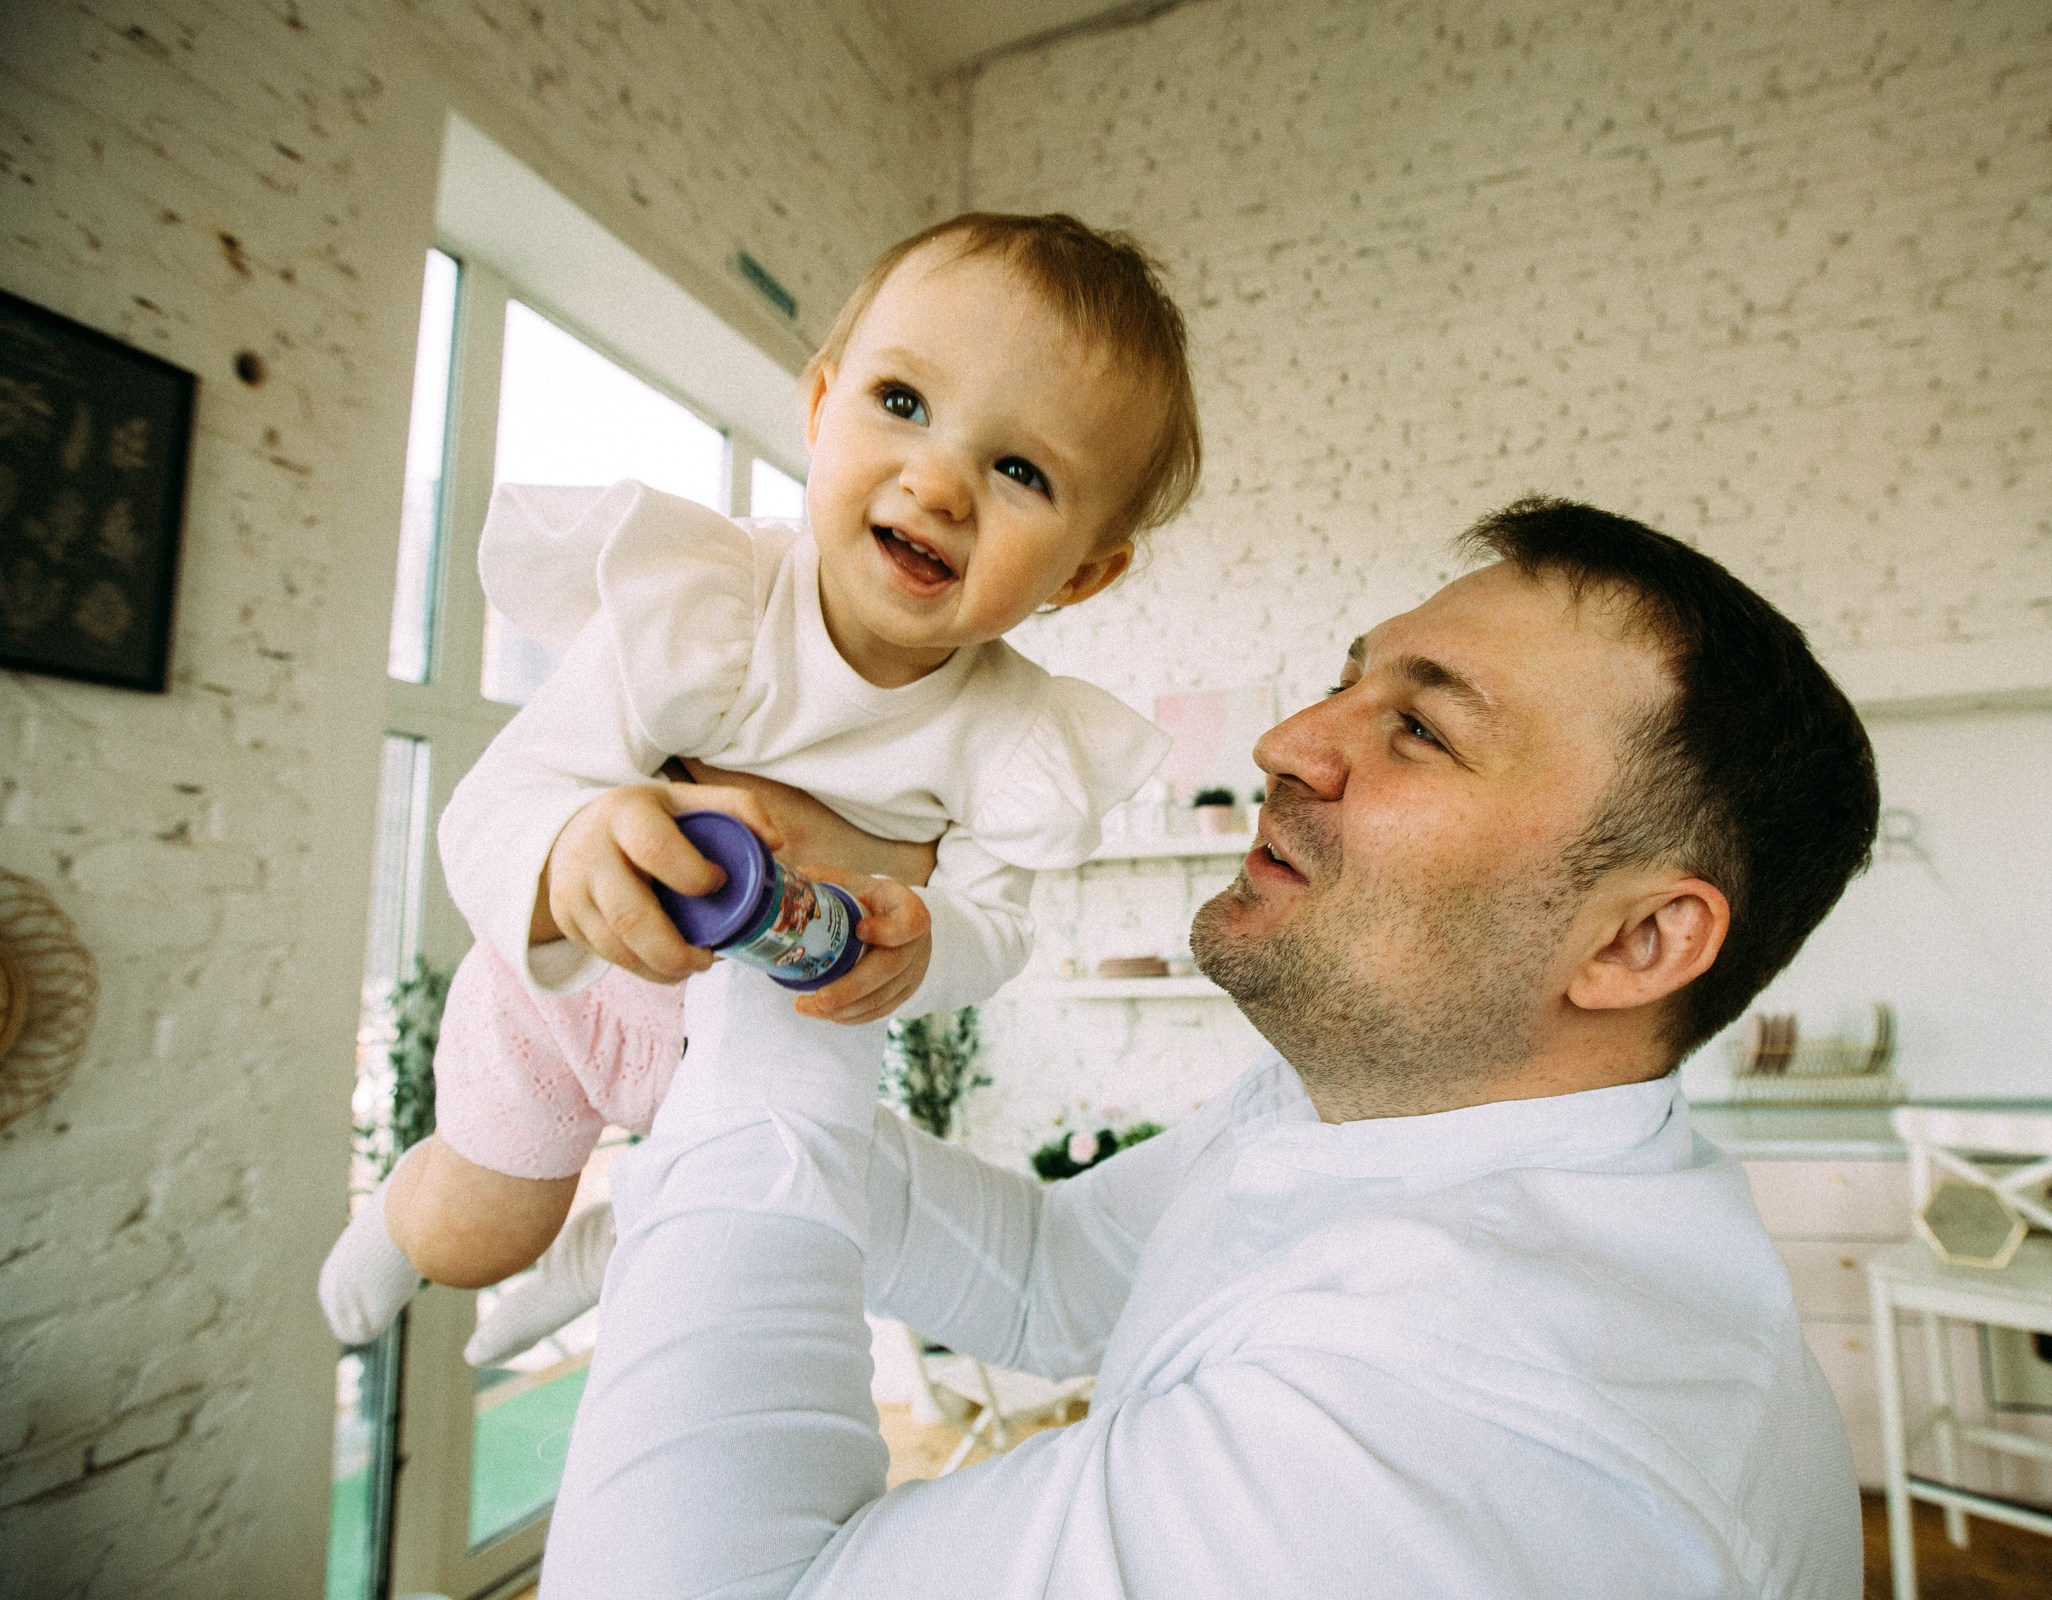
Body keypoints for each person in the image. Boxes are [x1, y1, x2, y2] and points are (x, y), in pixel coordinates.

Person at [531, 495, 1882, 1598]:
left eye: (1420, 728)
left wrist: (786, 950)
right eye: (1347, 685)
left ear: (1636, 943)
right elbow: (1053, 1277)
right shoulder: (1372, 1112)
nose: (1288, 743)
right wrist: (695, 1080)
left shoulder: (1473, 1419)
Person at [316, 211, 1202, 1348]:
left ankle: (625, 1226)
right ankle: (408, 1220)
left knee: (732, 1235)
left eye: (1020, 468)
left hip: (783, 1040)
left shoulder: (1015, 739)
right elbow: (499, 798)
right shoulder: (713, 606)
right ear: (824, 402)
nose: (938, 482)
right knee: (474, 1239)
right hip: (575, 992)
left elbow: (997, 923)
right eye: (902, 403)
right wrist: (577, 842)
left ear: (1083, 572)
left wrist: (929, 937)